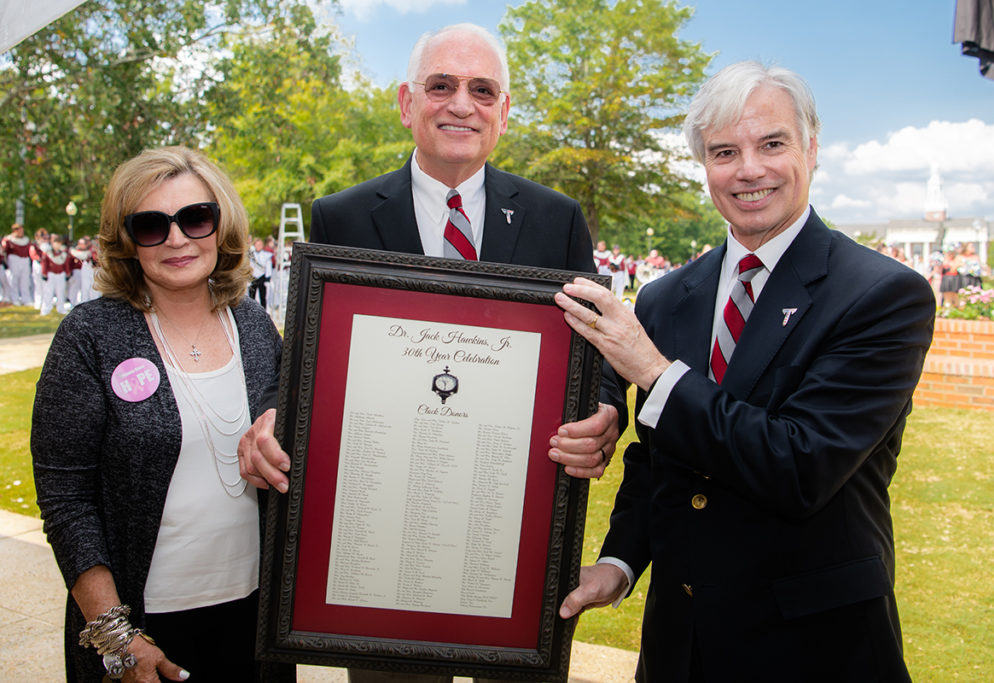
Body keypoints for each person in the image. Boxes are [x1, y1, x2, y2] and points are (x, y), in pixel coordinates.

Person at [237, 22, 620, 683]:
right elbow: (307, 354)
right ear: (406, 103)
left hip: (518, 528)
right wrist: (276, 413)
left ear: (504, 110)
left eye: (482, 89)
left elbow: (601, 347)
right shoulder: (341, 217)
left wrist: (607, 411)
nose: (461, 104)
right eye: (440, 85)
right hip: (387, 537)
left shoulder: (557, 220)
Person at [553, 61, 935, 681]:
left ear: (812, 147)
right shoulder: (666, 297)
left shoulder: (883, 295)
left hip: (814, 649)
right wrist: (620, 561)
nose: (749, 169)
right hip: (680, 649)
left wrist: (653, 372)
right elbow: (659, 462)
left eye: (772, 144)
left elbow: (801, 464)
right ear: (704, 166)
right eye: (725, 151)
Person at [32, 146, 288, 682]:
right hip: (143, 628)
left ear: (222, 226)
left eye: (195, 218)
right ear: (127, 241)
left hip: (256, 623)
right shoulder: (90, 336)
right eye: (151, 225)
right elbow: (65, 501)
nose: (177, 239)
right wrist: (115, 637)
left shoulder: (258, 328)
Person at [39, 233, 71, 316]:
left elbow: (66, 265)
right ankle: (46, 309)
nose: (57, 246)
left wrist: (67, 273)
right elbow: (44, 264)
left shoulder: (63, 254)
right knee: (48, 292)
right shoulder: (48, 253)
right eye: (55, 244)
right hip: (51, 274)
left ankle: (61, 308)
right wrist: (44, 274)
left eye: (59, 244)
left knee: (61, 292)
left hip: (60, 274)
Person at [2, 223, 32, 305]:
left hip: (25, 259)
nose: (21, 231)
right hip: (14, 259)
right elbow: (4, 251)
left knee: (25, 280)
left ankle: (26, 299)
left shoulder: (26, 240)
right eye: (19, 230)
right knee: (13, 279)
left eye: (22, 229)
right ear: (15, 230)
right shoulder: (8, 240)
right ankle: (14, 298)